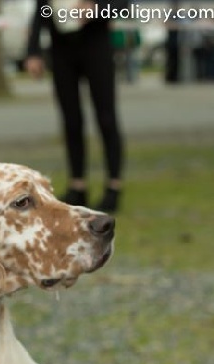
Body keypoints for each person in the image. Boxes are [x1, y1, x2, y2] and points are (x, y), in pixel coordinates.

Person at [25, 0, 127, 213]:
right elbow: (41, 9)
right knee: (71, 120)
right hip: (61, 48)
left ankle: (113, 186)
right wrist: (33, 51)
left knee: (106, 118)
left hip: (95, 43)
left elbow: (122, 4)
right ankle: (77, 185)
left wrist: (94, 9)